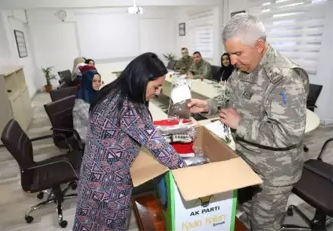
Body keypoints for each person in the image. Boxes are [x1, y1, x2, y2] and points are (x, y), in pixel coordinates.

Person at [187, 13, 309, 231]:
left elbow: (289, 134)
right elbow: (230, 94)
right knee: (247, 216)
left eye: (237, 53)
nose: (232, 60)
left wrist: (239, 124)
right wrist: (208, 105)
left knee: (264, 226)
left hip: (273, 175)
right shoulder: (244, 66)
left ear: (259, 45)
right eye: (229, 54)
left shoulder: (284, 78)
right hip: (246, 162)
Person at [73, 52, 187, 231]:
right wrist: (189, 171)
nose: (157, 93)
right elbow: (157, 146)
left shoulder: (113, 91)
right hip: (108, 186)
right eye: (156, 87)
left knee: (89, 224)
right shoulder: (128, 106)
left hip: (92, 174)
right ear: (142, 79)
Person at [73, 69, 102, 143]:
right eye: (94, 81)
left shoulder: (94, 94)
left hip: (95, 129)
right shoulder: (81, 102)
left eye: (99, 81)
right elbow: (93, 121)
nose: (98, 84)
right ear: (87, 82)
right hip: (84, 134)